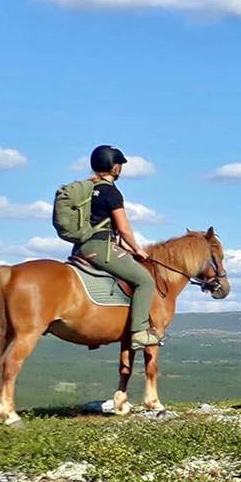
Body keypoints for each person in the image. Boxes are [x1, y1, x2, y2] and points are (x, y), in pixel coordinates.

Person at [74, 145, 162, 347]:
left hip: (79, 247)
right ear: (114, 167)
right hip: (100, 248)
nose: (120, 168)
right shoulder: (110, 192)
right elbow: (124, 229)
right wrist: (138, 250)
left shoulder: (86, 190)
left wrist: (126, 248)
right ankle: (139, 332)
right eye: (119, 164)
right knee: (145, 281)